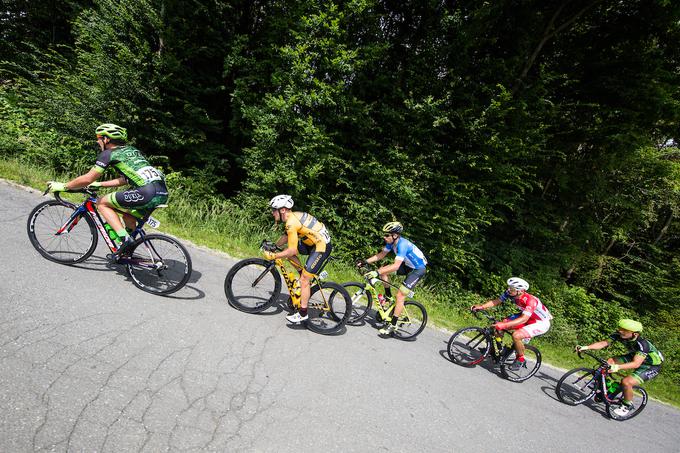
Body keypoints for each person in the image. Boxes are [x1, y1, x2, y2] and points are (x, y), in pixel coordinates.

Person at [47, 123, 168, 259]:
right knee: (128, 216)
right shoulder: (132, 151)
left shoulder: (108, 154)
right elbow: (125, 179)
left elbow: (88, 178)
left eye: (99, 138)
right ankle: (128, 251)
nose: (98, 141)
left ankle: (125, 240)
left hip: (146, 192)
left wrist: (64, 186)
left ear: (106, 139)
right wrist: (100, 184)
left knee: (102, 203)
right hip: (161, 192)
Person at [264, 195, 332, 323]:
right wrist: (275, 246)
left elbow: (293, 250)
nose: (272, 213)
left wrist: (273, 256)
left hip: (321, 246)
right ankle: (303, 276)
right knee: (288, 254)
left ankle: (303, 313)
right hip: (312, 242)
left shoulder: (291, 222)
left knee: (304, 279)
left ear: (282, 210)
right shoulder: (293, 216)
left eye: (274, 210)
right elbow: (286, 236)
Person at [575, 319, 663, 417]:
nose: (620, 331)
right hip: (634, 356)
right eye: (620, 328)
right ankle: (605, 384)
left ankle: (627, 405)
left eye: (624, 330)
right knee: (609, 362)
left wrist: (617, 367)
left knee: (626, 382)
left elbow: (636, 364)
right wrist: (586, 347)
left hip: (650, 366)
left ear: (635, 334)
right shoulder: (619, 335)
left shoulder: (643, 345)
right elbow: (603, 343)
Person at [357, 221, 427, 336]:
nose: (384, 237)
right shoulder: (391, 243)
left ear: (395, 235)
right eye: (384, 235)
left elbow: (396, 266)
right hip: (408, 266)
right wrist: (365, 261)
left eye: (387, 235)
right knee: (383, 271)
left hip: (417, 270)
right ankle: (388, 296)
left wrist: (375, 272)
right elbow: (381, 255)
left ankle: (393, 325)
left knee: (400, 295)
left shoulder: (402, 245)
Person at [471, 277, 552, 370]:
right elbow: (496, 301)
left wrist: (504, 325)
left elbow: (524, 319)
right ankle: (496, 350)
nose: (509, 290)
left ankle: (520, 359)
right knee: (499, 325)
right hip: (527, 317)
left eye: (512, 289)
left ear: (520, 291)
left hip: (540, 323)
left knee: (516, 335)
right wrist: (481, 307)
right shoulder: (511, 293)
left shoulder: (530, 300)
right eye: (509, 287)